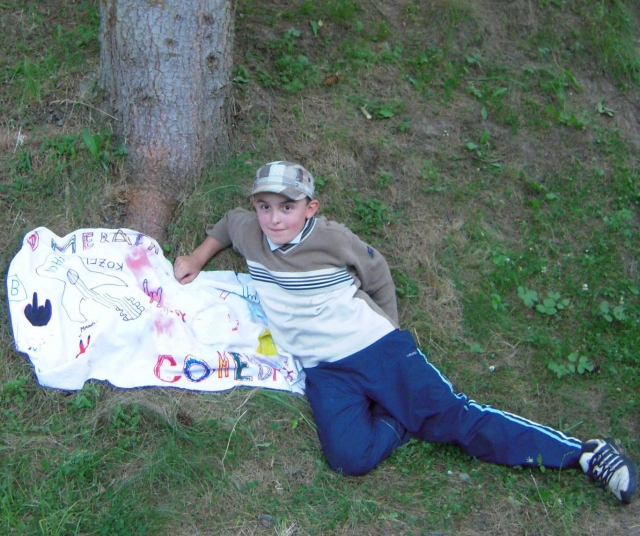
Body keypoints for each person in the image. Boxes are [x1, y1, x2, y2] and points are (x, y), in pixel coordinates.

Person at [173, 161, 638, 504]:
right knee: (348, 459)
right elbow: (227, 226)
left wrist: (390, 329)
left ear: (310, 208)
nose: (274, 218)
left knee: (454, 420)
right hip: (323, 370)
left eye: (287, 207)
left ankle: (584, 454)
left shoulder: (333, 239)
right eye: (264, 206)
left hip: (373, 347)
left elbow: (377, 274)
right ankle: (400, 419)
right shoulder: (249, 230)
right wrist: (196, 257)